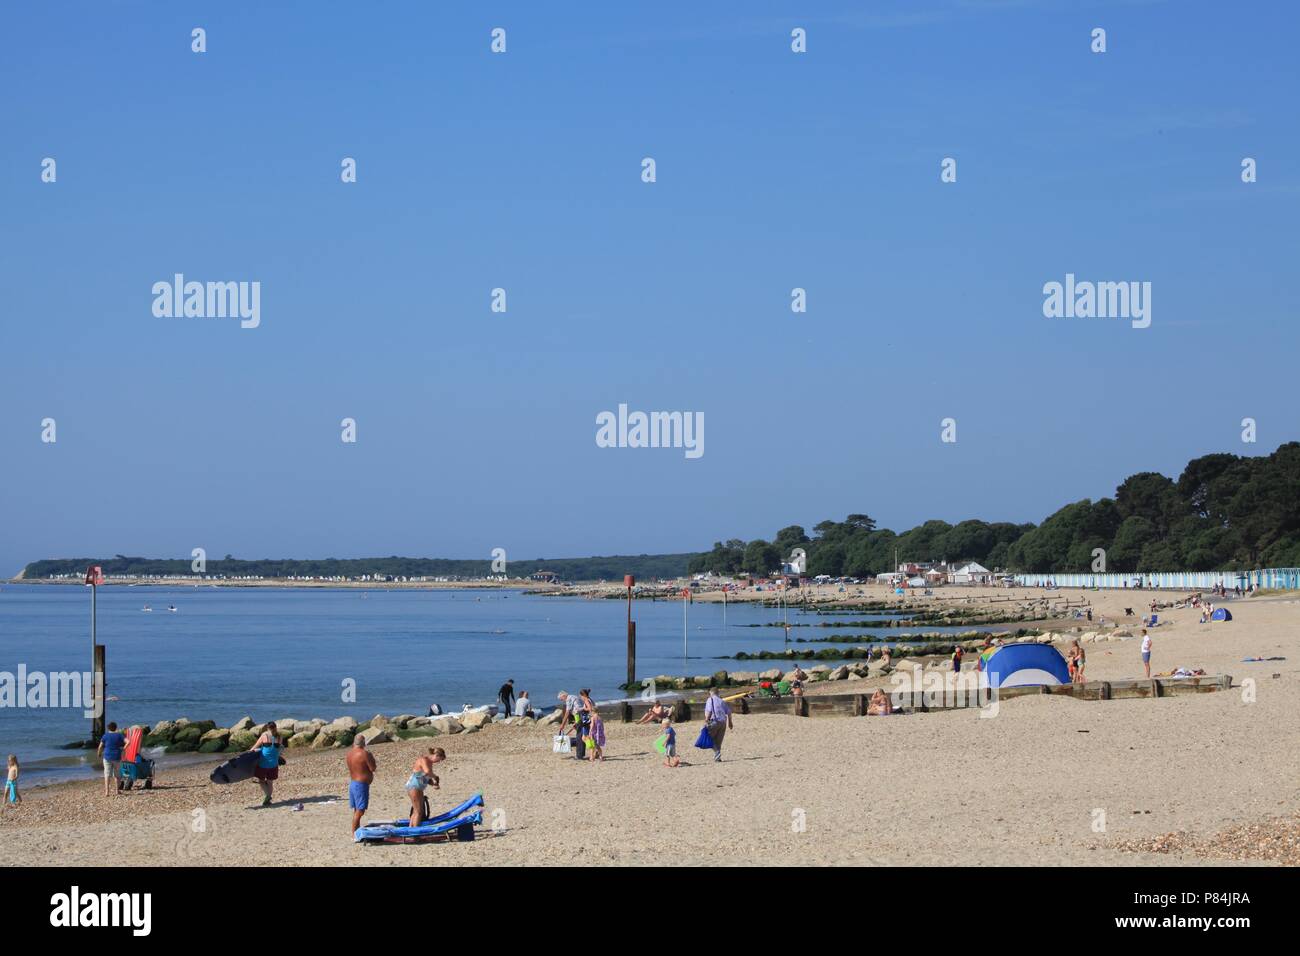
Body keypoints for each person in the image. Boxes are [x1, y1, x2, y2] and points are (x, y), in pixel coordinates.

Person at [406, 747, 445, 828]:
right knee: (419, 812)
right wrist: (436, 777)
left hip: (418, 787)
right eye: (439, 759)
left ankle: (411, 830)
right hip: (414, 786)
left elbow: (425, 777)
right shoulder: (424, 760)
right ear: (436, 755)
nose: (439, 762)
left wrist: (433, 784)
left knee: (416, 810)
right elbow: (427, 772)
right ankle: (415, 835)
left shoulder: (429, 763)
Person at [346, 734, 377, 835]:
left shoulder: (349, 754)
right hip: (361, 785)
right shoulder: (364, 753)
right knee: (360, 811)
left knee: (357, 810)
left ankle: (357, 830)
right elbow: (373, 768)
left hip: (353, 783)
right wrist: (371, 757)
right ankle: (354, 834)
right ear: (363, 743)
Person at [248, 722, 282, 807]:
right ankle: (268, 798)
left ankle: (267, 796)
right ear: (275, 727)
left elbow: (255, 747)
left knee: (261, 781)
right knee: (270, 782)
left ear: (267, 728)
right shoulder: (279, 736)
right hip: (274, 763)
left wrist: (248, 754)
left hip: (264, 763)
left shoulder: (264, 736)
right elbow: (278, 749)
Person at [703, 688, 733, 763]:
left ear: (711, 693)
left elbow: (709, 711)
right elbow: (729, 712)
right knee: (718, 741)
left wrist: (706, 720)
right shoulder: (722, 701)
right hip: (723, 722)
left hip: (714, 721)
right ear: (718, 693)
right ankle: (718, 758)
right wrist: (730, 722)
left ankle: (717, 753)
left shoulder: (710, 700)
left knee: (709, 737)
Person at [97, 722, 126, 798]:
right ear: (116, 728)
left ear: (108, 728)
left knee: (107, 774)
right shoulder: (119, 735)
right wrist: (123, 748)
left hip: (107, 757)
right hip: (117, 757)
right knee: (117, 775)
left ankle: (107, 792)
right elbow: (128, 742)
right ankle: (117, 791)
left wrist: (99, 753)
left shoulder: (105, 736)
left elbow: (100, 746)